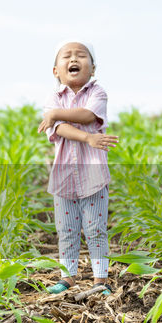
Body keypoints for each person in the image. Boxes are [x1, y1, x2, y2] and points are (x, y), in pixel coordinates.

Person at [37, 40, 119, 295]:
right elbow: (59, 129)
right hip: (64, 177)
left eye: (81, 56)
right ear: (56, 71)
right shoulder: (53, 98)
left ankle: (100, 280)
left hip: (93, 176)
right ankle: (68, 277)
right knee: (66, 231)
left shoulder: (98, 93)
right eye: (67, 57)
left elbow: (86, 115)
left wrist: (56, 115)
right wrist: (86, 137)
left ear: (92, 69)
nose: (74, 59)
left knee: (96, 230)